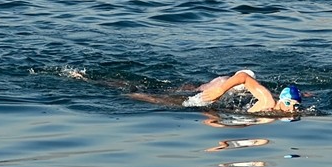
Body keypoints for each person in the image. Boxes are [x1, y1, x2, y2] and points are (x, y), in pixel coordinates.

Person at [127, 69, 302, 116]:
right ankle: (131, 94)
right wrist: (219, 91)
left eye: (296, 107)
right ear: (282, 100)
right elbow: (242, 76)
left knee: (183, 91)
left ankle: (139, 90)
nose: (293, 110)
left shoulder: (274, 105)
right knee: (171, 102)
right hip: (222, 88)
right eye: (290, 104)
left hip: (227, 93)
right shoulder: (268, 101)